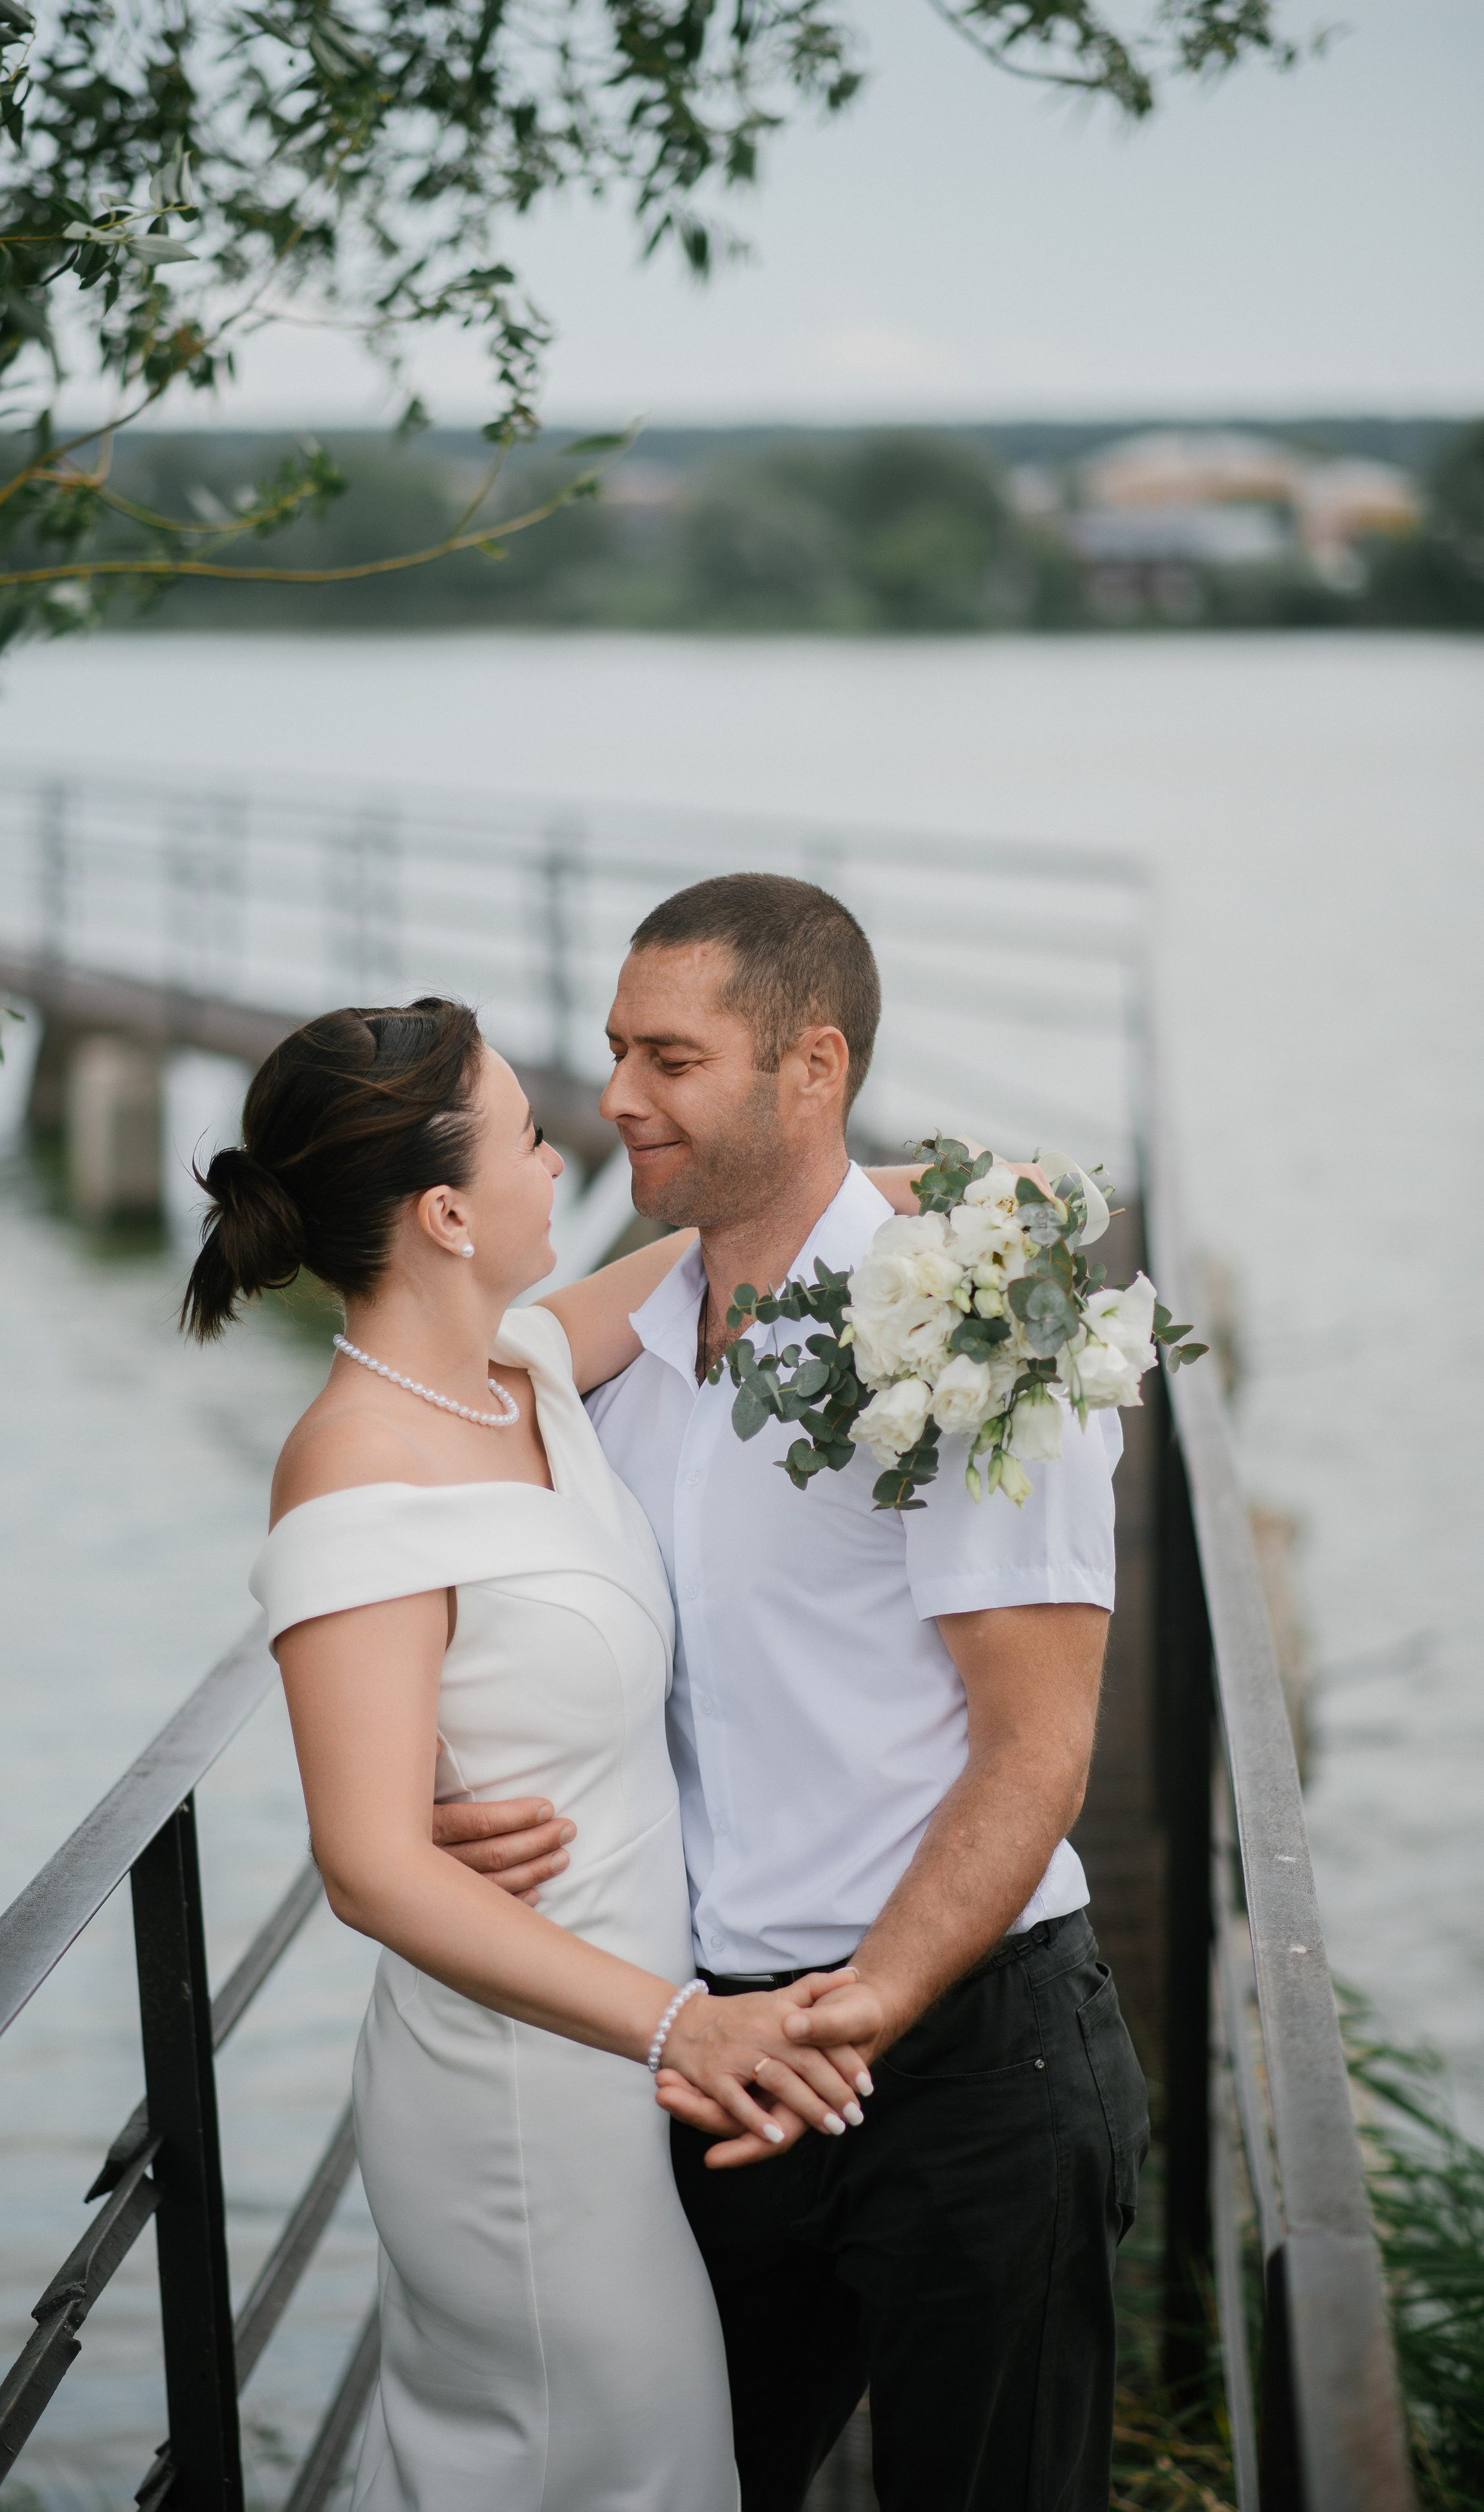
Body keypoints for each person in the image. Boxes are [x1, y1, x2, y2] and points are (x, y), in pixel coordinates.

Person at [440, 874, 1151, 2512]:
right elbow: (498, 1581)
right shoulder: (613, 1364)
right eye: (615, 1050)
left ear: (810, 1068)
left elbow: (1037, 1743)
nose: (615, 1096)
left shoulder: (972, 1338)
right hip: (718, 2056)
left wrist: (871, 2002)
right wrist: (436, 1762)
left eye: (669, 1059)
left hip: (967, 2050)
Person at [181, 999, 877, 2512]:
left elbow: (756, 1231)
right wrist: (676, 2029)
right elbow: (368, 1861)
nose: (570, 1152)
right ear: (445, 1211)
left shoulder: (531, 1372)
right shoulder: (354, 1464)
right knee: (608, 2461)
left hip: (626, 2061)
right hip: (526, 2086)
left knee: (635, 2464)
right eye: (527, 1135)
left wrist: (979, 1198)